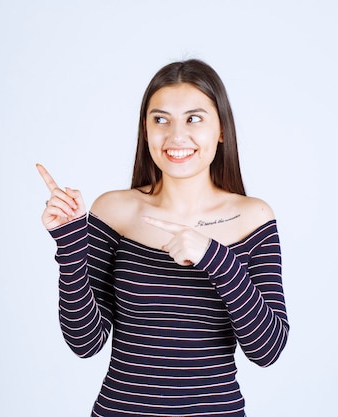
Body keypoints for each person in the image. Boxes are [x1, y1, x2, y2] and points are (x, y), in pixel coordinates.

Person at [36, 59, 289, 417]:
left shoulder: (254, 218)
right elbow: (85, 342)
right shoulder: (114, 211)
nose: (175, 136)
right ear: (145, 130)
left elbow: (268, 349)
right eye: (160, 120)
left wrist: (215, 258)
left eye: (194, 118)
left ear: (221, 130)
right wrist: (71, 243)